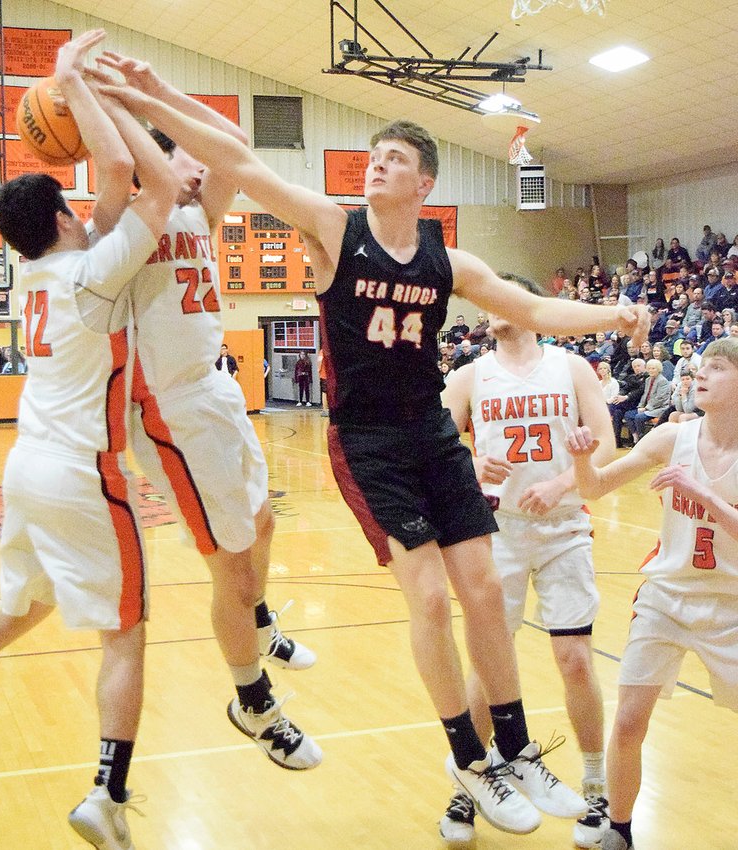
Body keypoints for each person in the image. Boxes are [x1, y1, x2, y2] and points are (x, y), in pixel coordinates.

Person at [101, 90, 651, 835]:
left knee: (485, 591)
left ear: (424, 183)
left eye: (395, 160)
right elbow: (238, 160)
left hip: (429, 429)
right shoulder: (334, 227)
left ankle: (516, 747)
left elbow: (537, 312)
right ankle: (469, 755)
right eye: (374, 157)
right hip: (366, 440)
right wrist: (146, 98)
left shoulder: (445, 259)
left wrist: (611, 314)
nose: (378, 167)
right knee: (428, 600)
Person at [0, 30, 177, 850]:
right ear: (66, 217)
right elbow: (140, 181)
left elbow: (109, 194)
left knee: (21, 605)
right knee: (128, 628)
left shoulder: (38, 270)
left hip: (27, 464)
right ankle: (108, 794)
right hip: (83, 470)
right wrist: (75, 84)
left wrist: (81, 96)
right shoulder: (93, 271)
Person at [92, 49, 320, 772]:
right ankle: (252, 700)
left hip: (216, 392)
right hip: (168, 412)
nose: (199, 165)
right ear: (158, 167)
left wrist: (158, 92)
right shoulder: (126, 225)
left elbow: (236, 149)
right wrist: (116, 108)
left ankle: (258, 623)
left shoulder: (200, 213)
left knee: (261, 521)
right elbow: (130, 168)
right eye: (184, 160)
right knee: (231, 563)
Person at [441, 273, 615, 848]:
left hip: (564, 528)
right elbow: (432, 448)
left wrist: (566, 482)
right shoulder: (470, 375)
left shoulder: (571, 368)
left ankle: (596, 786)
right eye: (486, 299)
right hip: (499, 531)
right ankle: (471, 785)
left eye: (503, 296)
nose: (492, 307)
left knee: (575, 660)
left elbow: (608, 445)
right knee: (490, 665)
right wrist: (468, 464)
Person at [564, 337, 738, 850]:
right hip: (665, 597)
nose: (701, 374)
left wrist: (702, 493)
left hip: (731, 604)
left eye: (719, 367)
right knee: (630, 719)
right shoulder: (670, 437)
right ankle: (619, 830)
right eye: (700, 366)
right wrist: (580, 460)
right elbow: (594, 488)